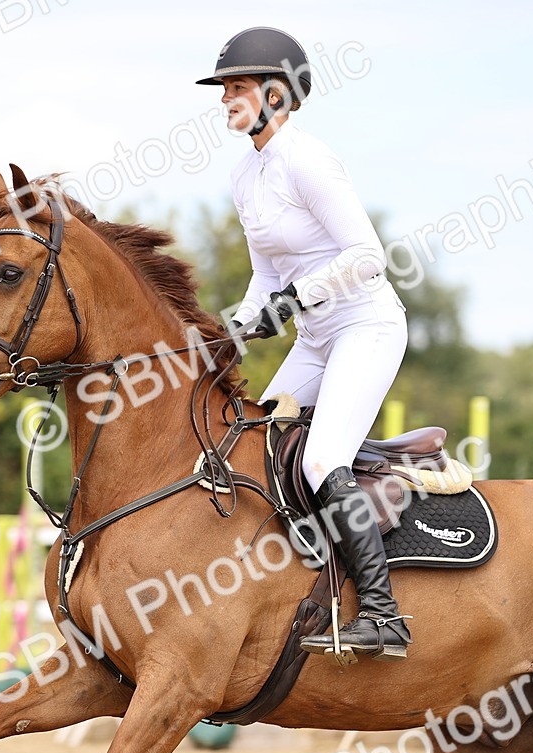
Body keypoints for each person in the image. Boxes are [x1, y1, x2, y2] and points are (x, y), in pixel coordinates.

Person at [197, 27, 412, 661]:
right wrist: (236, 324)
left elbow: (368, 256)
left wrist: (292, 304)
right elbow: (267, 271)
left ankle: (383, 614)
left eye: (238, 88)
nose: (227, 99)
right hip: (317, 337)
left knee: (321, 461)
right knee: (254, 442)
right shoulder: (246, 175)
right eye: (227, 89)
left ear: (277, 94)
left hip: (364, 328)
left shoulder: (308, 160)